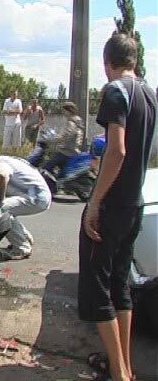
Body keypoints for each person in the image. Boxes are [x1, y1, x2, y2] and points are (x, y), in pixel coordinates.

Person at [79, 33, 156, 381]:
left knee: (97, 290)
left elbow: (117, 150)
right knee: (120, 285)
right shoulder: (149, 94)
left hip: (110, 208)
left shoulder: (115, 91)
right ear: (135, 61)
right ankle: (123, 365)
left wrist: (94, 204)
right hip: (134, 205)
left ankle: (120, 375)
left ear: (107, 62)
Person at [0, 155, 51, 260]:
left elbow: (2, 175)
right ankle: (25, 238)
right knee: (7, 210)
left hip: (36, 197)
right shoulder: (5, 159)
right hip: (38, 194)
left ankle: (22, 248)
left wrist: (0, 200)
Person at [42, 101, 84, 175]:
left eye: (64, 110)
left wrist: (54, 139)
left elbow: (67, 135)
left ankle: (52, 185)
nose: (63, 112)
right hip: (73, 150)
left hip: (67, 152)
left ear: (69, 110)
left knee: (46, 168)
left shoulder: (71, 122)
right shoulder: (77, 121)